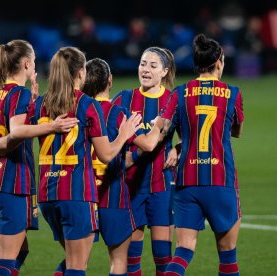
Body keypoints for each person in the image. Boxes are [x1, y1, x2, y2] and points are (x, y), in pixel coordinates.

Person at [32, 47, 143, 276]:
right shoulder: (86, 104)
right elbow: (106, 154)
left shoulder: (42, 102)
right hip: (75, 194)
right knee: (77, 266)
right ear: (81, 72)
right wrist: (124, 133)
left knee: (71, 260)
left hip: (46, 195)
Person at [0, 39, 68, 276]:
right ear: (27, 64)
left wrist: (30, 102)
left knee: (19, 251)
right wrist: (53, 127)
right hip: (12, 181)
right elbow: (17, 131)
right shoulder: (18, 93)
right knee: (8, 255)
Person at [159, 33, 244, 276]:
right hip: (221, 180)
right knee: (228, 253)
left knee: (183, 251)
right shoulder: (233, 93)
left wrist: (177, 145)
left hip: (187, 180)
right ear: (219, 61)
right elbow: (235, 131)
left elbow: (164, 129)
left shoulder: (179, 93)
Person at [82, 58, 164, 276]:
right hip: (112, 197)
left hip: (80, 195)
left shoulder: (77, 111)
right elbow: (147, 144)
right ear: (110, 80)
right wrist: (159, 125)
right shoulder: (117, 113)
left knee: (75, 261)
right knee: (119, 261)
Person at [111, 46, 177, 276]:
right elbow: (108, 135)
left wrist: (178, 149)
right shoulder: (124, 98)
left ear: (164, 71)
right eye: (142, 63)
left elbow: (194, 135)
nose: (145, 70)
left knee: (163, 257)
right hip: (131, 186)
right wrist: (122, 156)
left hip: (162, 185)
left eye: (152, 65)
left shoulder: (173, 100)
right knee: (132, 259)